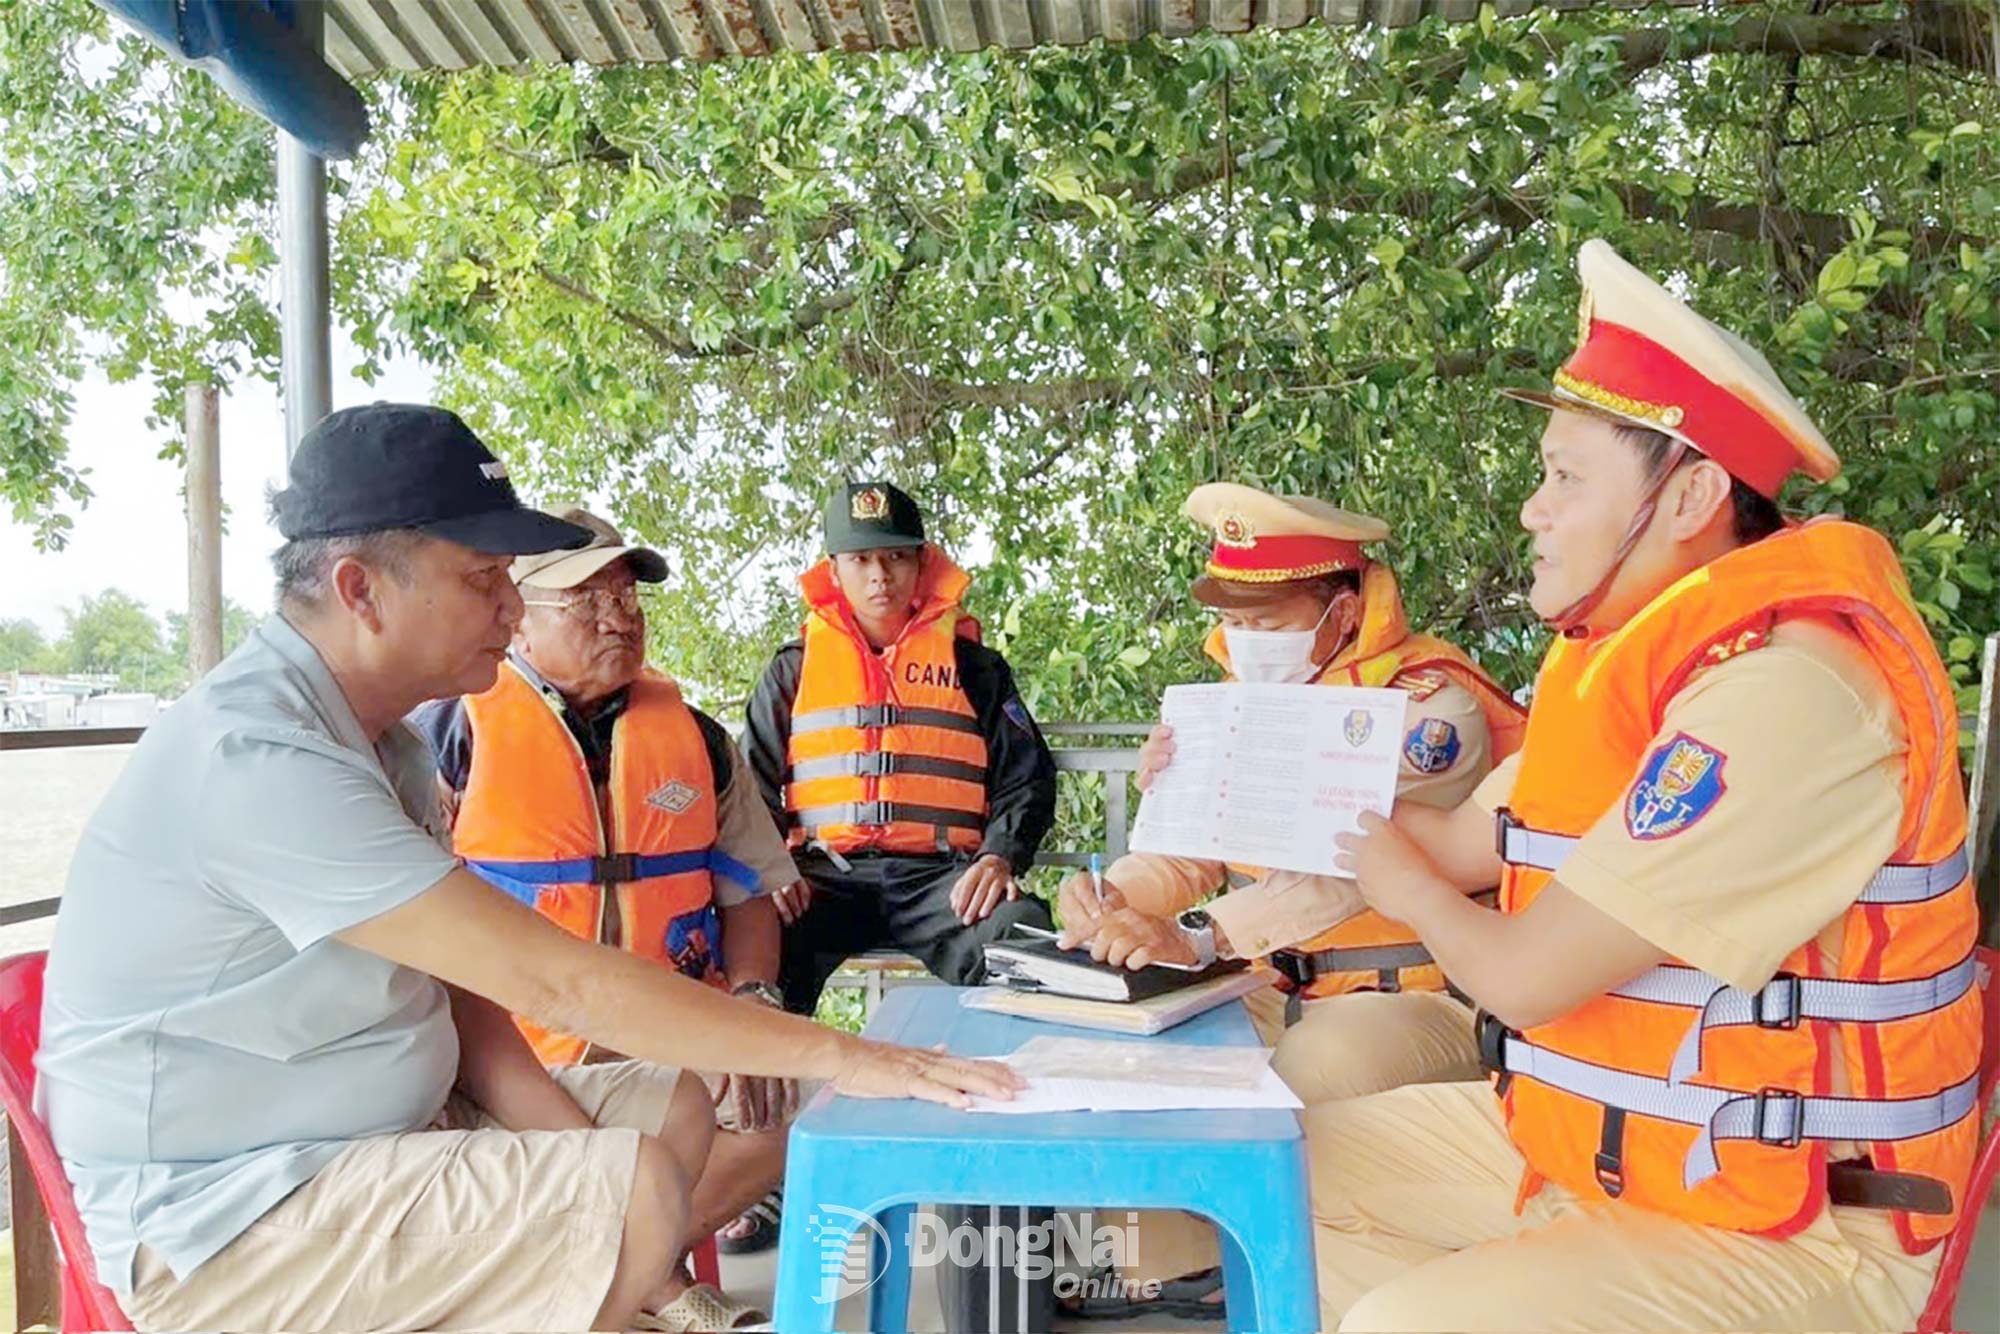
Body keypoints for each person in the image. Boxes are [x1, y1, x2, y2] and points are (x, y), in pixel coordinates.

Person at [37, 405, 1016, 1334]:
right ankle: (615, 1282)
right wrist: (856, 1055)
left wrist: (596, 1172)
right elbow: (560, 984)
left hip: (385, 1130)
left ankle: (621, 1287)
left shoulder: (385, 746)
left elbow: (468, 1010)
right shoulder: (262, 756)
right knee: (630, 1191)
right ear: (359, 590)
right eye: (483, 578)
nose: (512, 604)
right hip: (231, 1214)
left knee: (670, 1108)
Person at [1311, 240, 1980, 1332]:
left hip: (1801, 1215)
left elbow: (1521, 975)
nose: (1531, 509)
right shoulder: (1637, 663)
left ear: (1691, 496)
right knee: (1284, 1167)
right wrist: (1254, 783)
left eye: (1564, 477)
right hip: (1624, 1150)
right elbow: (1467, 841)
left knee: (1412, 1323)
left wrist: (1411, 891)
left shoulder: (1785, 692)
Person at [1051, 483, 1526, 1319]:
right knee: (1133, 1059)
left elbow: (1345, 871)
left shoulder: (1429, 707)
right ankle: (1170, 1281)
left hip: (1414, 993)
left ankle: (1297, 1292)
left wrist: (1196, 936)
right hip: (1264, 981)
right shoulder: (1233, 707)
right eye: (1235, 621)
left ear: (1343, 611)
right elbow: (1187, 854)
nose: (1247, 642)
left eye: (1270, 623)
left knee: (1304, 1083)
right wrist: (1110, 898)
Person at [409, 506, 794, 1314]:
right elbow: (405, 923)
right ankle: (657, 1285)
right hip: (513, 1046)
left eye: (626, 596)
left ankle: (617, 1273)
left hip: (670, 1023)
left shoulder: (699, 740)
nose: (619, 618)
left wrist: (755, 1000)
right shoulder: (445, 733)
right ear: (516, 618)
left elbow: (752, 895)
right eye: (587, 599)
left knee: (800, 1111)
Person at [745, 480, 1058, 1015]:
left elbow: (1026, 776)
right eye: (861, 559)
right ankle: (770, 1070)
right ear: (834, 570)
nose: (880, 575)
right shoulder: (792, 669)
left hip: (941, 881)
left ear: (921, 563)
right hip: (821, 878)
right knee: (751, 939)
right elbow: (748, 784)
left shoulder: (975, 667)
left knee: (1020, 933)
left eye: (895, 557)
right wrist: (768, 869)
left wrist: (998, 857)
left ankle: (1002, 1064)